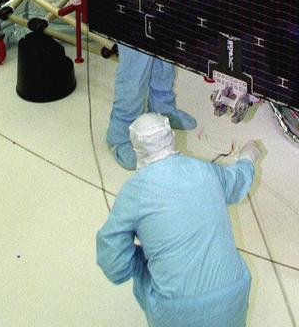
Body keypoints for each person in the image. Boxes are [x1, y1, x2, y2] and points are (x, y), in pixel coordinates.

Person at [97, 112, 260, 327]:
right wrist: (248, 157)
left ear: (135, 148)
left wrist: (143, 260)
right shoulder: (207, 171)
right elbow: (238, 181)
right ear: (172, 136)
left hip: (176, 312)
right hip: (233, 296)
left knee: (146, 268)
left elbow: (114, 265)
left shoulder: (133, 193)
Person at [77, 0, 197, 169]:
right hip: (131, 0)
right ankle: (119, 136)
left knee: (165, 61)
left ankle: (162, 109)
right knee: (134, 74)